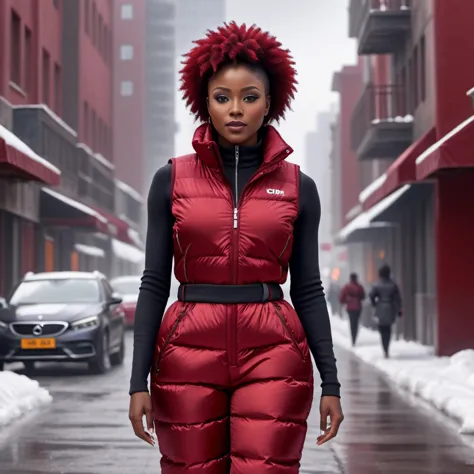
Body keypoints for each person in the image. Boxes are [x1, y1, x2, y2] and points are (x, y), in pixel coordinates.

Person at [128, 22, 343, 473]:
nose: (236, 110)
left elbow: (308, 289)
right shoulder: (169, 180)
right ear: (205, 102)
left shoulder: (299, 187)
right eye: (222, 97)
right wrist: (136, 382)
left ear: (270, 103)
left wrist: (332, 384)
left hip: (274, 351)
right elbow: (152, 283)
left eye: (250, 96)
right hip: (185, 348)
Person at [369, 265, 402, 358]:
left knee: (382, 328)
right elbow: (398, 298)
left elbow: (371, 295)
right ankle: (387, 347)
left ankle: (384, 347)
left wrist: (375, 304)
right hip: (390, 307)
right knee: (388, 328)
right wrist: (399, 309)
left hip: (380, 307)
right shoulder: (393, 285)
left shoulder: (376, 284)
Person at [339, 273, 365, 346]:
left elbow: (341, 298)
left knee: (351, 322)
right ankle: (355, 337)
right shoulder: (359, 287)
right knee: (356, 322)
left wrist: (345, 301)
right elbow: (363, 296)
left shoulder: (346, 287)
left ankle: (353, 338)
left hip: (349, 307)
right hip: (358, 306)